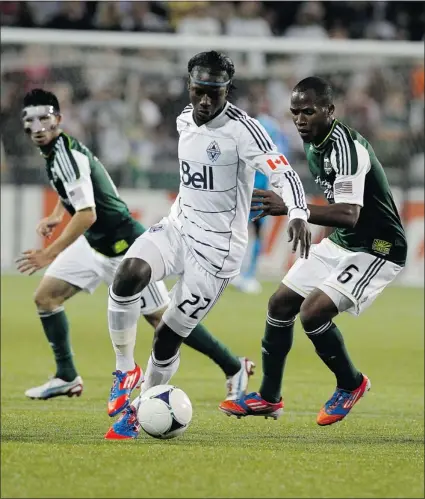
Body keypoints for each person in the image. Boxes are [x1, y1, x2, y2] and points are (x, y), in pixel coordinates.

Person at [104, 51, 310, 439]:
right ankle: (123, 368)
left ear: (227, 90)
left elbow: (282, 171)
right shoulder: (184, 118)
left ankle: (142, 408)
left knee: (167, 337)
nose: (205, 100)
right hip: (178, 229)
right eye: (199, 90)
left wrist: (297, 211)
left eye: (214, 93)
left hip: (216, 256)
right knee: (129, 273)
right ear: (189, 85)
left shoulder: (243, 130)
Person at [16, 88, 255, 406]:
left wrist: (49, 251)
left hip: (124, 246)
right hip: (92, 245)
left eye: (44, 118)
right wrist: (57, 214)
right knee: (46, 297)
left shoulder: (66, 155)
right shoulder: (57, 151)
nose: (38, 126)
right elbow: (74, 194)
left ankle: (233, 366)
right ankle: (67, 376)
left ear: (58, 119)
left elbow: (87, 214)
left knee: (164, 321)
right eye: (30, 120)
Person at [219, 76, 407, 426]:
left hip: (378, 248)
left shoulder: (346, 148)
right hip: (343, 242)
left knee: (312, 313)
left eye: (309, 111)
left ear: (329, 110)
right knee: (279, 303)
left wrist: (294, 208)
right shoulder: (313, 141)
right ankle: (268, 397)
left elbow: (351, 214)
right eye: (295, 112)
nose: (301, 119)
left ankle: (351, 383)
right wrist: (304, 219)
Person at [232, 106, 290, 294]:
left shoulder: (250, 137)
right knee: (249, 232)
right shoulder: (271, 142)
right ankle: (245, 274)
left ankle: (244, 274)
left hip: (250, 193)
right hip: (254, 193)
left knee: (243, 232)